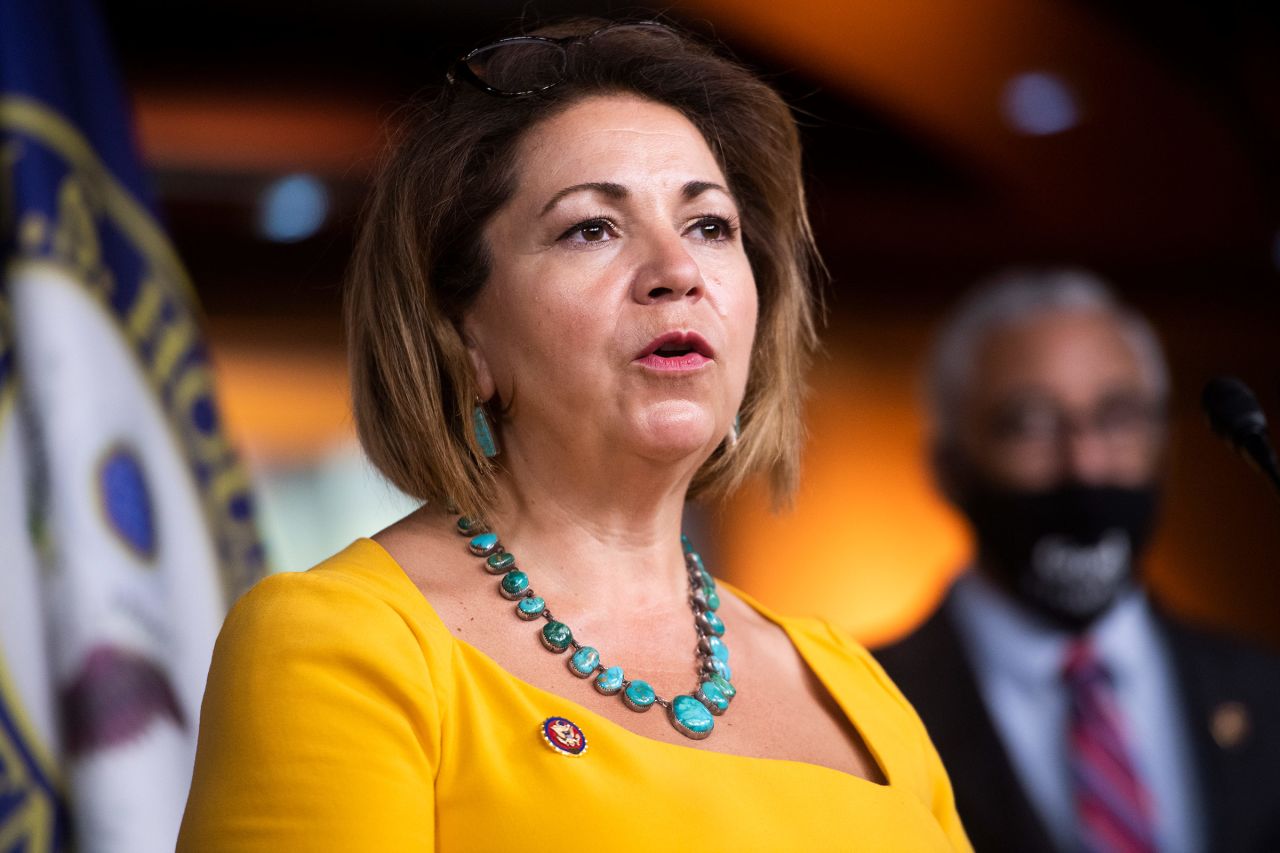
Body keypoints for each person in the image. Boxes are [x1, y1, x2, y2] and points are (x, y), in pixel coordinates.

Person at [177, 19, 972, 851]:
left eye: (710, 226)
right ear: (465, 334)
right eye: (591, 227)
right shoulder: (339, 643)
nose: (678, 270)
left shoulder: (853, 681)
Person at [875, 269, 1280, 853]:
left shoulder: (1268, 695)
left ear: (1163, 444)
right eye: (1030, 425)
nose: (1085, 465)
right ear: (948, 466)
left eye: (1117, 418)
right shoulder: (864, 712)